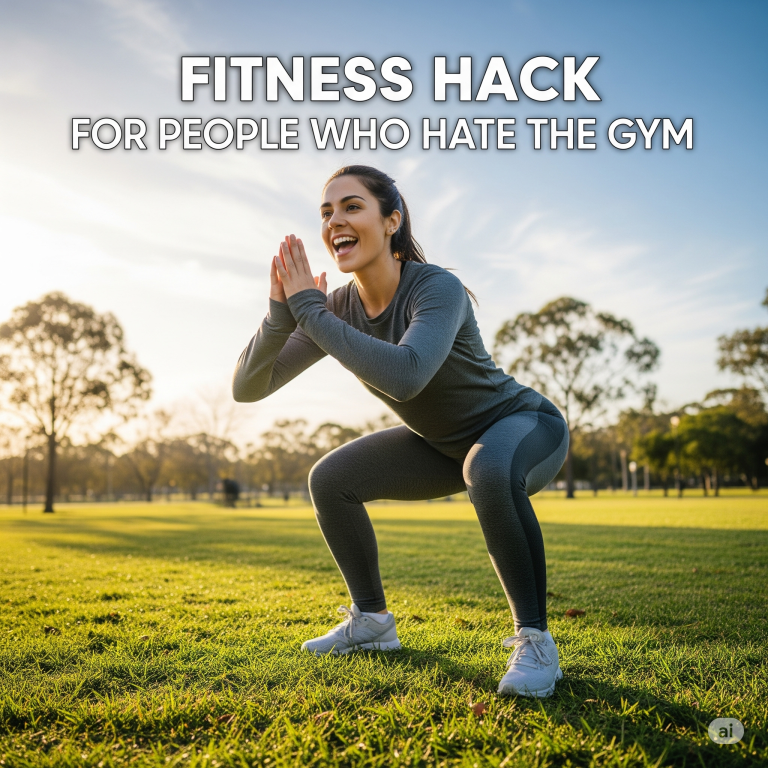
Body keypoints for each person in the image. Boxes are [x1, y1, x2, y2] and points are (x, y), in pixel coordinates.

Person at [232, 165, 569, 698]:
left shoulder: (436, 286)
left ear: (391, 221)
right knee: (331, 479)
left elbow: (406, 376)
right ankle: (371, 622)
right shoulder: (335, 306)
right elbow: (250, 387)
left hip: (521, 426)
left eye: (351, 207)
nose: (334, 221)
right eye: (326, 212)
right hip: (442, 447)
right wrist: (280, 316)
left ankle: (536, 642)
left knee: (487, 467)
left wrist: (308, 311)